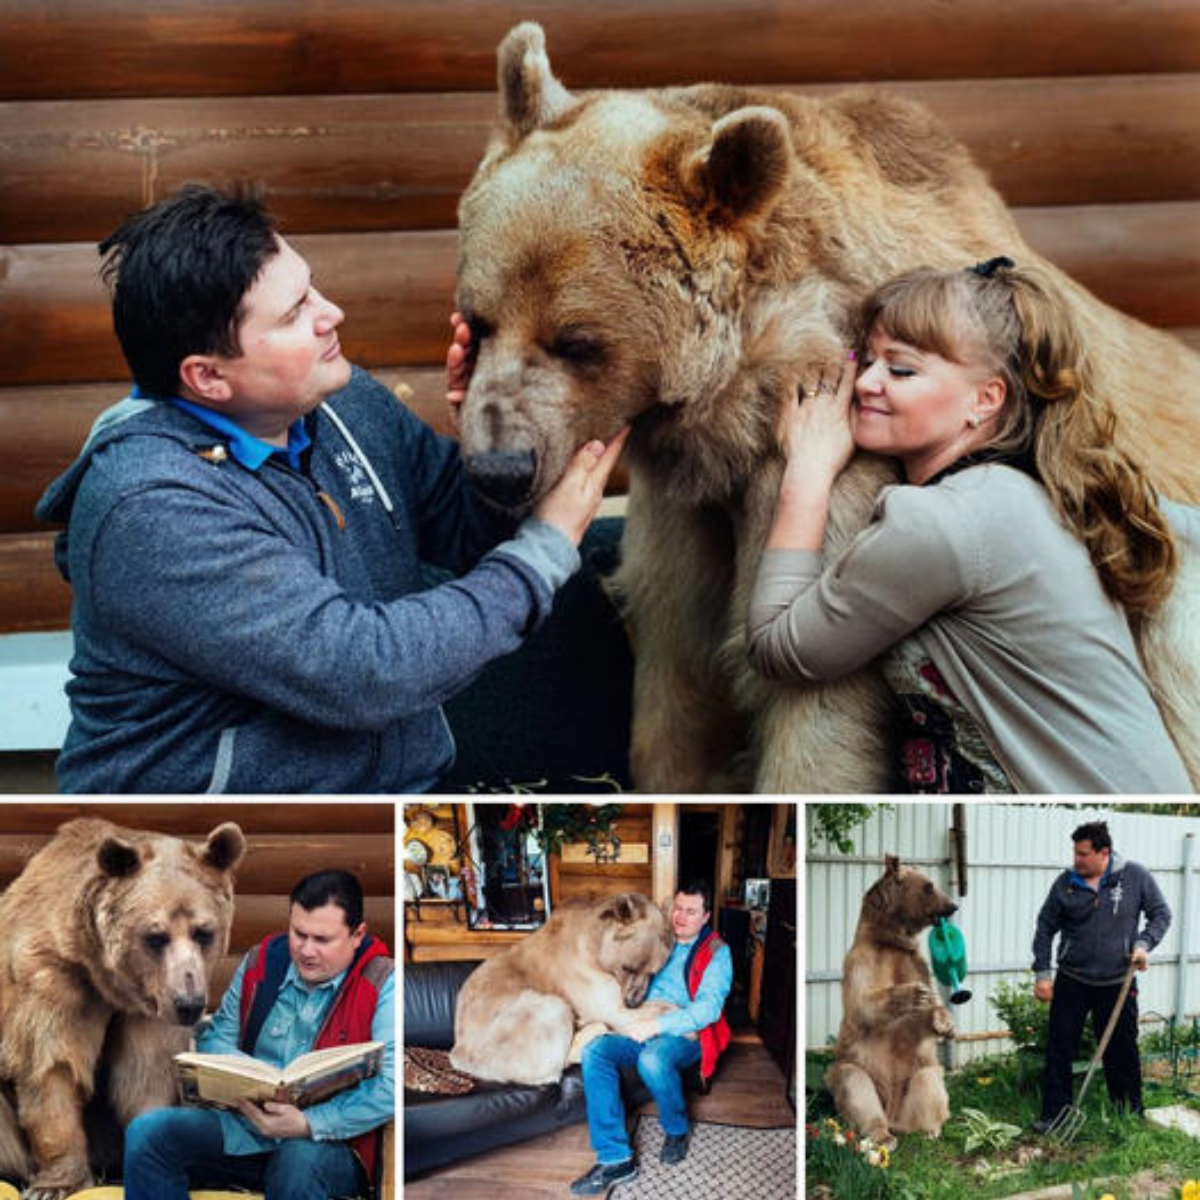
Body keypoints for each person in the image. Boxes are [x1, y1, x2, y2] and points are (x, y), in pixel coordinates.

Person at [35, 184, 628, 793]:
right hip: (210, 822)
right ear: (208, 376)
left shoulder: (344, 401)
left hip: (397, 791)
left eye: (311, 286)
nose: (331, 314)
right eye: (294, 314)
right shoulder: (152, 510)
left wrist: (493, 438)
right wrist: (545, 550)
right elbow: (363, 672)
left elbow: (462, 527)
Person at [745, 257, 1192, 793]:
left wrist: (807, 472)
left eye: (901, 369)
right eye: (864, 360)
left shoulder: (944, 523)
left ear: (986, 400)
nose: (864, 382)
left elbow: (779, 649)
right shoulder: (1041, 491)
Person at [124, 869, 394, 1200]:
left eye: (322, 940)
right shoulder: (261, 961)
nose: (306, 950)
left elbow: (389, 1087)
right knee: (149, 1133)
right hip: (245, 1128)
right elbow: (217, 1036)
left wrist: (309, 1124)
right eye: (299, 934)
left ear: (356, 935)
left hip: (326, 1143)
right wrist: (246, 1079)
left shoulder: (384, 982)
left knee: (297, 1161)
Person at [569, 881, 733, 1197]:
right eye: (678, 908)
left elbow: (709, 1009)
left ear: (705, 916)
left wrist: (658, 1026)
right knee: (595, 1051)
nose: (681, 917)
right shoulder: (659, 938)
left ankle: (677, 1129)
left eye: (691, 911)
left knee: (653, 1059)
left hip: (684, 1031)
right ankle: (616, 1158)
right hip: (637, 1021)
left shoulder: (717, 952)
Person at [1029, 821, 1170, 1133]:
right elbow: (1045, 927)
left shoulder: (1134, 877)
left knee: (1122, 1049)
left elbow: (1161, 914)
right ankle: (1055, 1115)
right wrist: (1042, 973)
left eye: (1083, 854)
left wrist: (1143, 944)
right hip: (1072, 979)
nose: (1076, 860)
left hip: (1117, 982)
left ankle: (1128, 1114)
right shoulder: (1065, 884)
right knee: (1059, 1047)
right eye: (1075, 853)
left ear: (1103, 853)